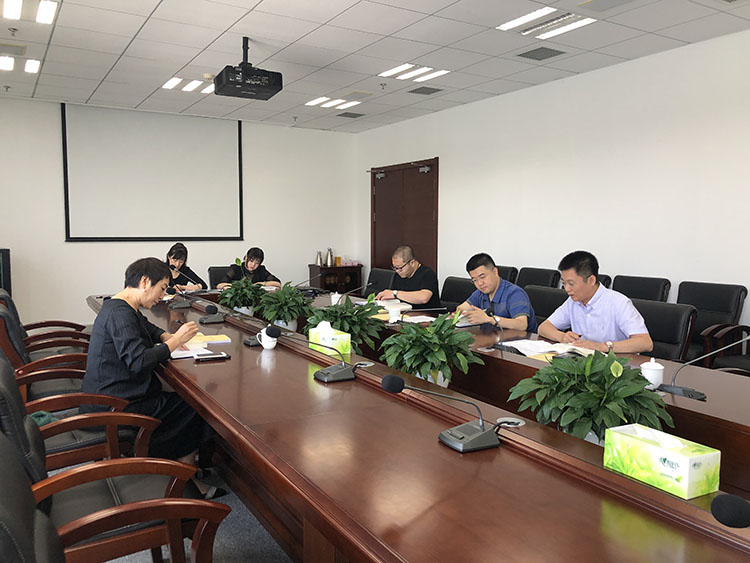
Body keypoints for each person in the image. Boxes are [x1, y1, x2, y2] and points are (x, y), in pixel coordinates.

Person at [80, 257, 223, 498]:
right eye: (163, 288)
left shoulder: (119, 305)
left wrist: (166, 336)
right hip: (114, 406)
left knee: (179, 398)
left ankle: (179, 466)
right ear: (145, 282)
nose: (163, 295)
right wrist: (176, 341)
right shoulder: (121, 314)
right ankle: (185, 482)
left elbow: (146, 327)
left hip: (109, 396)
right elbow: (138, 362)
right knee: (195, 406)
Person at [538, 251, 653, 354]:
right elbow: (543, 327)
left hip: (615, 366)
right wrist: (562, 337)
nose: (567, 289)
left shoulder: (619, 303)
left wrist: (602, 346)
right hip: (581, 363)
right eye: (564, 283)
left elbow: (645, 343)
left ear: (591, 280)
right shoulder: (572, 301)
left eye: (571, 283)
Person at [456, 253, 537, 332]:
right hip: (493, 338)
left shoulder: (515, 293)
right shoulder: (480, 293)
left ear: (495, 271)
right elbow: (461, 308)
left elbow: (521, 325)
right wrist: (458, 314)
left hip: (520, 340)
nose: (480, 283)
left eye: (482, 277)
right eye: (474, 280)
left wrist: (489, 319)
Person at [375, 246, 441, 310]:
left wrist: (395, 293)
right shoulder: (398, 275)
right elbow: (394, 297)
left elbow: (424, 298)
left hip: (428, 314)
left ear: (412, 263)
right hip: (405, 312)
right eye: (395, 267)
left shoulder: (427, 274)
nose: (397, 271)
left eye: (400, 268)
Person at [216, 247, 281, 289]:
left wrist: (259, 284)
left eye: (257, 263)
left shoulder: (261, 270)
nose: (253, 265)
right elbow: (219, 285)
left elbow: (278, 283)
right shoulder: (236, 269)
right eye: (251, 261)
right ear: (245, 257)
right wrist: (238, 287)